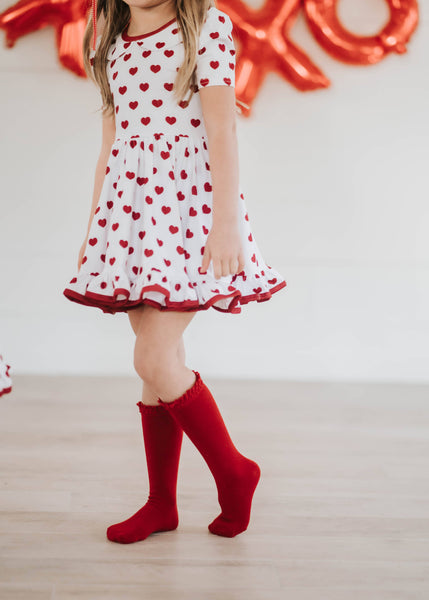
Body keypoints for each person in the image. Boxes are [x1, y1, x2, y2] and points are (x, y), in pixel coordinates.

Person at [63, 0, 287, 543]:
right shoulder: (109, 37)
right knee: (159, 360)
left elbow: (222, 129)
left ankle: (234, 471)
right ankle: (162, 503)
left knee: (152, 354)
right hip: (132, 214)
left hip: (186, 210)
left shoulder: (205, 28)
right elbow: (109, 146)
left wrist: (227, 221)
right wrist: (95, 227)